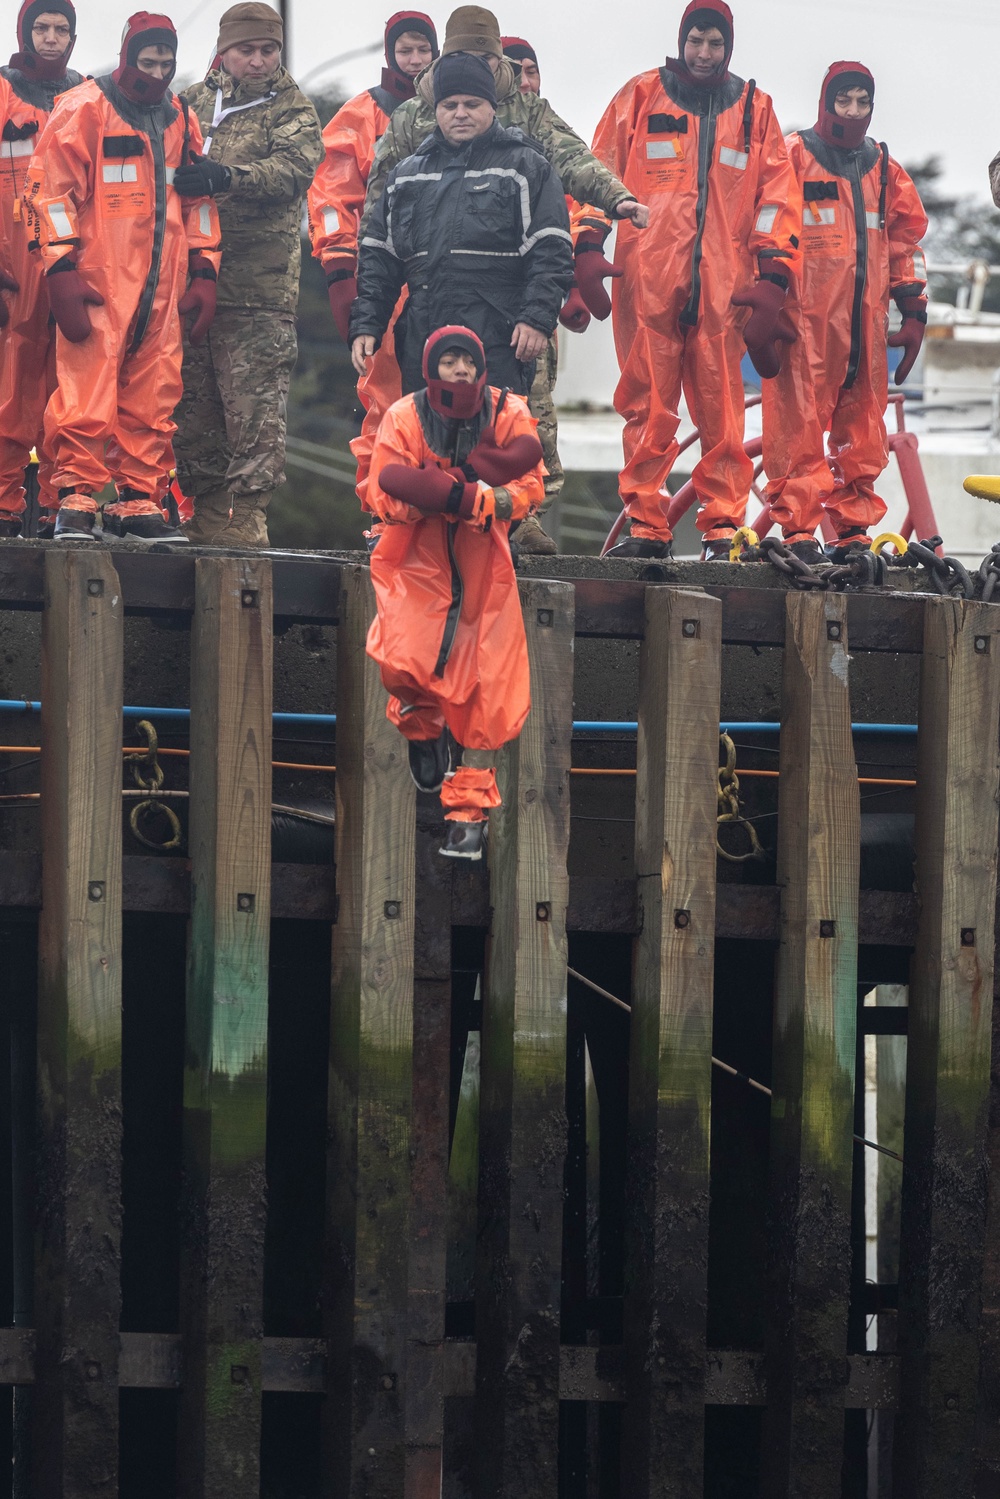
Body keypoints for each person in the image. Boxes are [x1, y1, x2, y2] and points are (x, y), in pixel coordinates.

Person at [593, 0, 802, 560]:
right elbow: (595, 172)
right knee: (647, 405)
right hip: (649, 277)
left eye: (715, 44)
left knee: (722, 408)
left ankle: (724, 528)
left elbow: (777, 200)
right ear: (681, 41)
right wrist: (587, 243)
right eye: (696, 42)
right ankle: (646, 524)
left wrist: (774, 276)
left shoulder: (757, 111)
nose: (704, 54)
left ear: (728, 47)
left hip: (724, 287)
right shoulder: (639, 96)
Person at [27, 11, 221, 543]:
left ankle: (138, 497)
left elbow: (199, 203)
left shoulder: (180, 115)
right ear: (126, 54)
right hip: (98, 279)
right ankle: (76, 495)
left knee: (155, 392)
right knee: (85, 389)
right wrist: (61, 268)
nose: (156, 72)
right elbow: (50, 192)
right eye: (147, 60)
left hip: (164, 287)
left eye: (166, 62)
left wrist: (204, 268)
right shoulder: (84, 107)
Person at [364, 323, 543, 860]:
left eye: (468, 359)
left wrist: (486, 503)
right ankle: (422, 730)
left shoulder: (509, 409)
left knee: (487, 693)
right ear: (431, 367)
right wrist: (437, 495)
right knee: (400, 662)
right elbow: (383, 490)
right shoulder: (403, 416)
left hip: (484, 564)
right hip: (413, 561)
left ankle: (468, 816)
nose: (460, 369)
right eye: (450, 361)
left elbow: (530, 483)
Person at [760, 63, 928, 561]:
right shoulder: (793, 157)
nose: (853, 112)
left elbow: (907, 239)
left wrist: (913, 305)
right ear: (826, 101)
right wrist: (768, 296)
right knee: (798, 430)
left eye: (862, 102)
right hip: (804, 327)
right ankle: (798, 532)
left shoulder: (884, 167)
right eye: (844, 101)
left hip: (865, 329)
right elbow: (766, 228)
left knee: (864, 433)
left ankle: (854, 530)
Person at [172, 1, 323, 548]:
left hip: (259, 288)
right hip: (191, 280)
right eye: (246, 50)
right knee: (194, 407)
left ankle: (249, 516)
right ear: (223, 51)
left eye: (267, 49)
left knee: (254, 410)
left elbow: (293, 171)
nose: (258, 60)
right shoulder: (189, 102)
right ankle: (208, 513)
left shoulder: (292, 109)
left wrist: (225, 176)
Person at [350, 51, 574, 404]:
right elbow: (379, 259)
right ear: (435, 110)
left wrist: (536, 318)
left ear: (492, 106)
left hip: (498, 341)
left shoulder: (526, 166)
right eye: (449, 104)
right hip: (423, 337)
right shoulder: (406, 174)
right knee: (424, 449)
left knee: (496, 450)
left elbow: (551, 249)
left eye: (472, 103)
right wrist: (366, 324)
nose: (460, 113)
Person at [360, 6, 648, 254]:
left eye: (484, 59)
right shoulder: (412, 115)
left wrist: (617, 198)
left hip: (510, 261)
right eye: (463, 56)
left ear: (499, 58)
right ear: (445, 58)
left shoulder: (528, 110)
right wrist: (368, 267)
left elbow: (573, 158)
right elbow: (381, 195)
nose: (474, 68)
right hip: (428, 264)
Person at [307, 11, 438, 511]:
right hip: (383, 274)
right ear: (390, 54)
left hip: (446, 273)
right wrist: (341, 273)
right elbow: (331, 195)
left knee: (452, 396)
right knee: (384, 398)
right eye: (405, 50)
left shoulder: (457, 109)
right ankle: (384, 512)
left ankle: (441, 511)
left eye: (422, 50)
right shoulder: (362, 113)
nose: (414, 59)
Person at [499, 34, 620, 555]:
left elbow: (585, 191)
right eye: (513, 69)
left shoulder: (549, 134)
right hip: (473, 296)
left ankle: (528, 519)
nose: (525, 79)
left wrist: (571, 276)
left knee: (535, 408)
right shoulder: (467, 129)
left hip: (536, 298)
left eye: (532, 69)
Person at [0, 0, 83, 538]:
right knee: (11, 388)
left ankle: (58, 502)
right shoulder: (2, 92)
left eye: (62, 29)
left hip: (69, 263)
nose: (52, 38)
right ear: (24, 32)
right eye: (43, 28)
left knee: (69, 388)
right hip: (11, 266)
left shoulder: (89, 97)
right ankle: (4, 503)